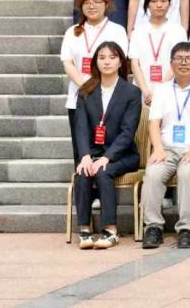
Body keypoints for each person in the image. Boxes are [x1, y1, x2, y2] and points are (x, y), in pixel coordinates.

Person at [139, 41, 190, 249]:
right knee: (153, 173)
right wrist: (158, 148)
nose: (183, 63)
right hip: (167, 150)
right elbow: (154, 123)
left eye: (189, 59)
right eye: (179, 59)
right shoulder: (161, 90)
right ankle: (153, 227)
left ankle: (186, 228)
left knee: (187, 173)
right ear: (171, 63)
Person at [70, 40, 142, 249]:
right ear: (95, 62)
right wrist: (85, 156)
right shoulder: (85, 91)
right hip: (92, 153)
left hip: (123, 155)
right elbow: (80, 127)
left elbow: (127, 132)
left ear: (121, 62)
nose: (107, 62)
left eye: (112, 57)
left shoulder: (131, 92)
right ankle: (84, 230)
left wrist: (106, 158)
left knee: (103, 172)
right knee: (83, 172)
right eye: (102, 58)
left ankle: (111, 230)